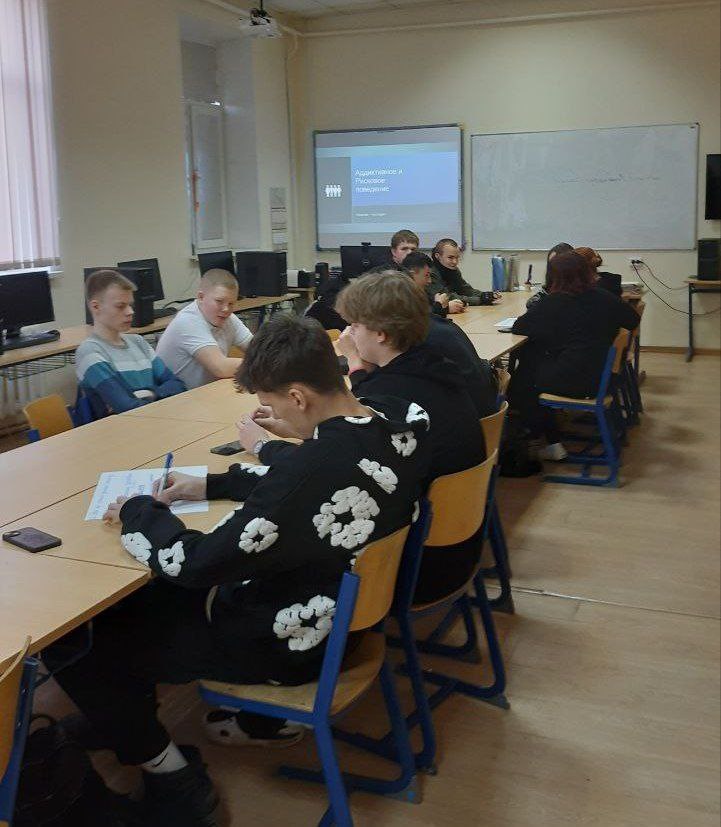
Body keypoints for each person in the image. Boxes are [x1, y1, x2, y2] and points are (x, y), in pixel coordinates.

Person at [44, 315, 430, 827]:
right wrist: (212, 484)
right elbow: (310, 484)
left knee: (77, 640)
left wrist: (139, 510)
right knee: (138, 606)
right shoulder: (395, 421)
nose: (271, 417)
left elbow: (195, 562)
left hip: (288, 642)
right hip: (343, 617)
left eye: (272, 405)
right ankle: (119, 718)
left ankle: (172, 778)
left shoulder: (312, 469)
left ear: (297, 397)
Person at [334, 271, 487, 603]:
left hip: (417, 571)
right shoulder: (434, 367)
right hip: (463, 547)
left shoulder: (392, 398)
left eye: (355, 326)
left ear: (381, 334)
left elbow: (345, 454)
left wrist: (354, 361)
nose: (348, 334)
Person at [508, 251, 640, 460]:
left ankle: (543, 438)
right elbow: (632, 320)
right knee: (533, 360)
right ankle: (549, 438)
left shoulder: (554, 302)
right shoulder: (603, 296)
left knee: (524, 374)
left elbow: (519, 327)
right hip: (605, 377)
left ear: (554, 277)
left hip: (577, 381)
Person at [76, 269, 186, 417]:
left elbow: (178, 385)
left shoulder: (138, 341)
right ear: (96, 307)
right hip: (121, 429)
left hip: (157, 419)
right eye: (120, 306)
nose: (130, 312)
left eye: (130, 305)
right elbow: (126, 408)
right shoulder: (90, 351)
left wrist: (150, 393)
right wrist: (159, 393)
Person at [399, 255, 499, 416]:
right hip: (482, 412)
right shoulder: (442, 327)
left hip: (468, 418)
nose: (429, 281)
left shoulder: (419, 337)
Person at [156, 268, 252, 389]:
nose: (226, 309)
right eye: (219, 301)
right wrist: (261, 364)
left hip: (206, 392)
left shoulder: (228, 318)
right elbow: (221, 368)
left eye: (231, 303)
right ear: (201, 297)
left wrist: (266, 358)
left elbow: (257, 349)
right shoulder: (188, 321)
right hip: (178, 396)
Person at [430, 238, 500, 311]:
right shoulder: (430, 273)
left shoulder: (453, 269)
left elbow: (465, 289)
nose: (455, 262)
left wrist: (485, 295)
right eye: (450, 257)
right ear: (437, 256)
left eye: (457, 257)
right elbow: (447, 296)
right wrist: (480, 300)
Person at [526, 242, 574, 307]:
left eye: (556, 264)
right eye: (550, 264)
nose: (552, 269)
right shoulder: (550, 286)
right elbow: (531, 303)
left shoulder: (578, 290)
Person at [403, 250, 450, 316]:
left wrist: (444, 307)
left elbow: (439, 318)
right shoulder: (399, 295)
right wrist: (438, 305)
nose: (429, 281)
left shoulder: (423, 292)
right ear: (412, 274)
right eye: (427, 275)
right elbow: (420, 318)